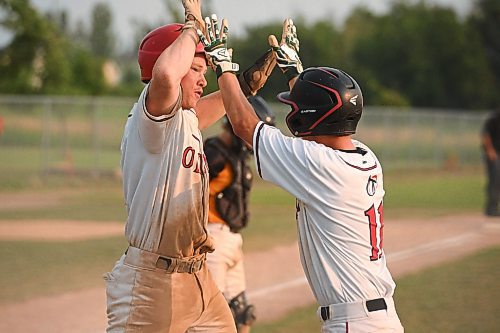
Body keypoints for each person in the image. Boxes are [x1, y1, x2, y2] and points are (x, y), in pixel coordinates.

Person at [198, 16, 404, 333]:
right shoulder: (363, 156)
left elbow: (244, 125)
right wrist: (296, 75)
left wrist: (223, 66)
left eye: (296, 107)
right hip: (376, 319)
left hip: (353, 323)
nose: (292, 111)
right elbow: (320, 118)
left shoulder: (320, 165)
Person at [103, 1, 275, 332]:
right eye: (195, 70)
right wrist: (193, 24)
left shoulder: (183, 119)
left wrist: (243, 86)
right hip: (152, 283)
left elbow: (214, 107)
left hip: (198, 277)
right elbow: (166, 74)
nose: (202, 80)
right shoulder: (152, 117)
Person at [204, 95, 275, 333]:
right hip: (213, 240)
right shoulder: (212, 155)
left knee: (243, 314)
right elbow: (187, 197)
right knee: (213, 319)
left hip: (233, 241)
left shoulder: (236, 157)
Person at [481, 109, 500, 216]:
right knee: (495, 179)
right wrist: (490, 151)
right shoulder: (494, 119)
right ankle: (491, 208)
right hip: (493, 154)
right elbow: (485, 135)